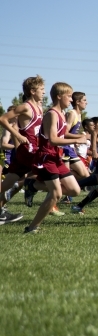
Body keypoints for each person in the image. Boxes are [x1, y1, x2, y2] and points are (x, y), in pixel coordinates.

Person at [24, 83, 87, 233]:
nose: (71, 100)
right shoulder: (51, 114)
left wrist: (80, 136)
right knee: (56, 194)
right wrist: (76, 140)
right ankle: (32, 227)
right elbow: (53, 139)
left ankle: (32, 185)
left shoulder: (62, 115)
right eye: (69, 96)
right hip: (46, 156)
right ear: (59, 96)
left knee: (74, 190)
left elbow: (62, 134)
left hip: (56, 157)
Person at [0, 75, 46, 224]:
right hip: (29, 151)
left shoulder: (40, 107)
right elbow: (2, 119)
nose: (44, 92)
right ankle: (31, 187)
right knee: (53, 175)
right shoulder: (25, 107)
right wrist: (17, 134)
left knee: (8, 183)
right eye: (41, 89)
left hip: (31, 150)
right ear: (32, 91)